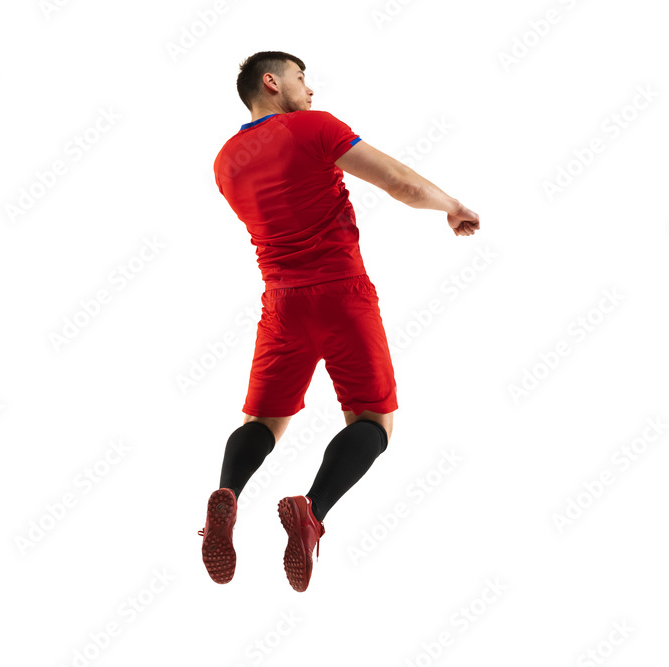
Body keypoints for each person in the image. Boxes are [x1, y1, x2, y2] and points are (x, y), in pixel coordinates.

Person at [199, 51, 480, 592]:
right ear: (271, 81)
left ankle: (228, 494)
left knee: (265, 420)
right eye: (302, 79)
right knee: (374, 422)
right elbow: (401, 182)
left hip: (281, 303)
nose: (310, 90)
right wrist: (452, 205)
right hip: (342, 295)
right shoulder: (313, 129)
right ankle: (312, 510)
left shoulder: (225, 160)